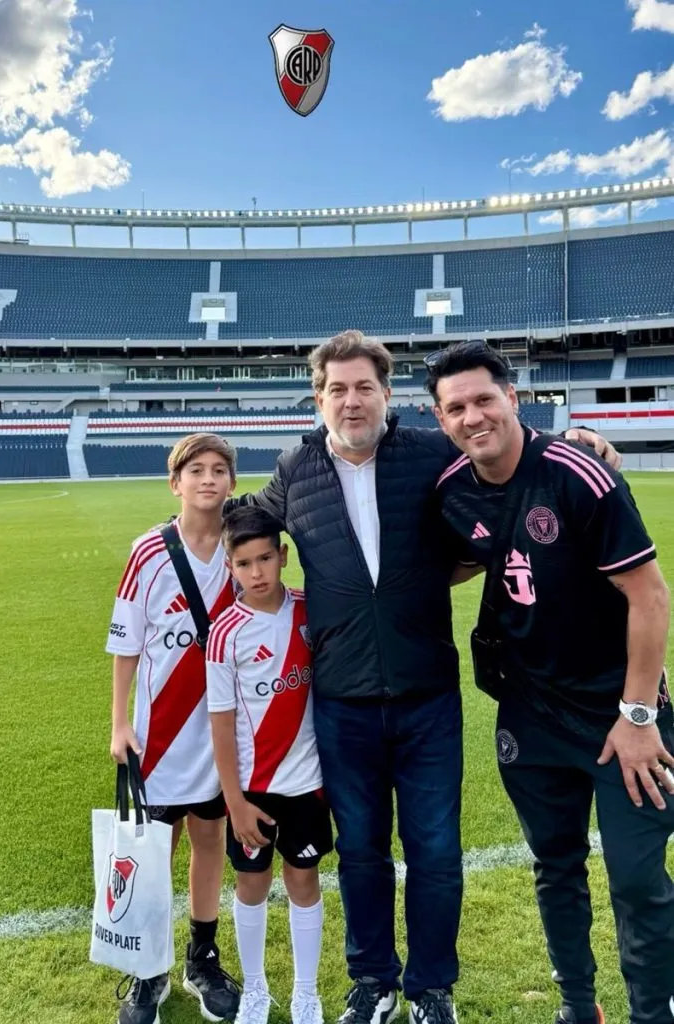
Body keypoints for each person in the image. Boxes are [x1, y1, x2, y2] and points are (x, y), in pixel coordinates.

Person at [228, 330, 619, 1024]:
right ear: (318, 399)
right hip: (342, 701)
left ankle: (431, 988)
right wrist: (189, 514)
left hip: (426, 695)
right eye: (336, 389)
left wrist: (576, 435)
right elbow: (242, 521)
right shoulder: (294, 469)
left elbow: (502, 449)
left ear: (386, 394)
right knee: (362, 853)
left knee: (436, 850)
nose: (350, 401)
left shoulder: (432, 454)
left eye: (363, 387)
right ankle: (372, 982)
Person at [428, 340, 674, 1024]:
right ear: (439, 418)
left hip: (616, 711)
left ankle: (654, 1012)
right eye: (456, 408)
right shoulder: (450, 489)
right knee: (555, 866)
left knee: (633, 876)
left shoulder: (577, 473)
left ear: (512, 397)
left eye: (483, 399)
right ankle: (576, 1007)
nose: (472, 416)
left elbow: (648, 598)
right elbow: (458, 557)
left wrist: (635, 717)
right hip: (530, 712)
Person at [106, 433, 241, 1024]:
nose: (208, 480)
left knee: (211, 840)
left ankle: (201, 958)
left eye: (219, 470)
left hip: (220, 734)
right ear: (175, 483)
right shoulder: (148, 553)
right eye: (196, 471)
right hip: (158, 738)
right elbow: (126, 646)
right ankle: (148, 966)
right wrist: (118, 724)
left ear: (232, 483)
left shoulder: (245, 547)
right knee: (156, 850)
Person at [207, 506, 332, 1024]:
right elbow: (220, 722)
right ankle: (256, 990)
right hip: (251, 791)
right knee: (251, 884)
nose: (257, 573)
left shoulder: (310, 610)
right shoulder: (224, 633)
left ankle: (306, 993)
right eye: (243, 564)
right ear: (229, 567)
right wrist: (233, 802)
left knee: (304, 880)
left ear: (284, 556)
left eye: (265, 559)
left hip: (307, 784)